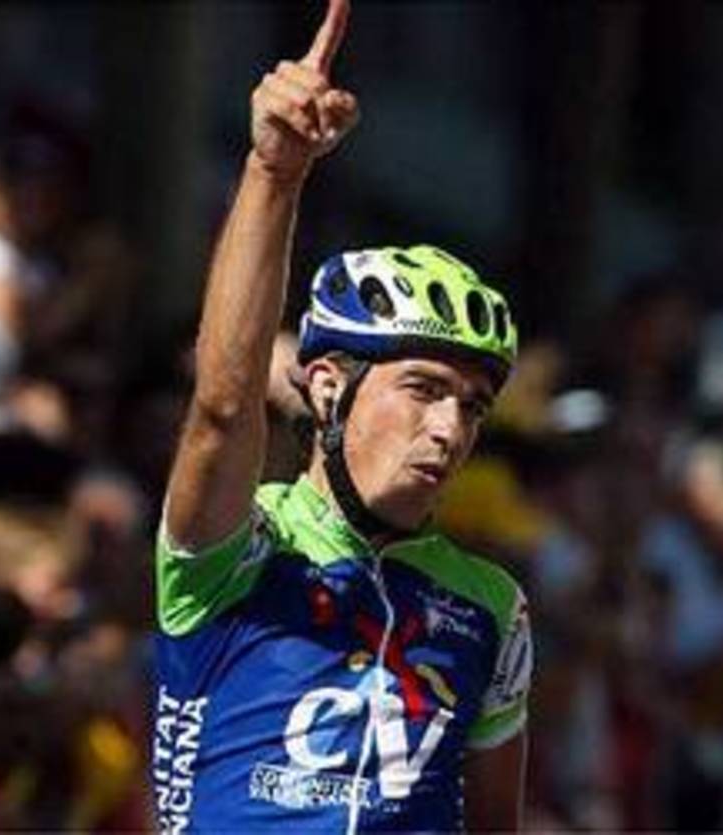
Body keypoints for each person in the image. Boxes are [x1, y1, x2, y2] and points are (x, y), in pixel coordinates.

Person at [153, 2, 532, 832]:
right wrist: (273, 173)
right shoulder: (239, 547)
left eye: (471, 406)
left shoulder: (489, 604)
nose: (449, 430)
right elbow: (222, 407)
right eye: (422, 389)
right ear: (327, 387)